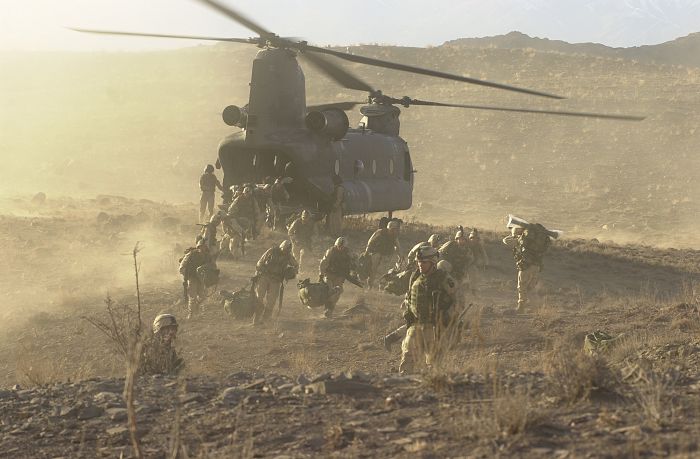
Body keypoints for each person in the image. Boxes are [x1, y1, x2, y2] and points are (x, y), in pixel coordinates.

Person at [399, 246, 457, 374]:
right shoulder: (415, 277)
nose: (420, 265)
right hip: (415, 326)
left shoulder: (443, 278)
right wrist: (407, 312)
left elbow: (457, 300)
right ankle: (402, 384)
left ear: (433, 263)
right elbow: (409, 298)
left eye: (423, 262)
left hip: (434, 328)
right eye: (419, 262)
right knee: (407, 360)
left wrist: (448, 318)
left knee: (434, 365)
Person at [503, 222, 553, 312]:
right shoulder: (535, 243)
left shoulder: (519, 241)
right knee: (531, 288)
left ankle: (521, 307)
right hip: (537, 266)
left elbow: (505, 240)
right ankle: (535, 308)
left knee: (522, 287)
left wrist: (515, 234)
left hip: (525, 266)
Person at [253, 240, 298, 324]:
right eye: (285, 249)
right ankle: (256, 318)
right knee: (259, 297)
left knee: (271, 300)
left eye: (287, 250)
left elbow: (296, 265)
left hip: (276, 280)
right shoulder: (271, 251)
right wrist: (260, 270)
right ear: (281, 247)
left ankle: (265, 319)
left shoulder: (288, 256)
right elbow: (260, 262)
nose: (286, 251)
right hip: (264, 276)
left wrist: (292, 271)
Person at [319, 237, 360, 318]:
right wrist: (321, 275)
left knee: (338, 291)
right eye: (339, 246)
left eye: (342, 246)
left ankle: (330, 309)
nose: (340, 248)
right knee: (329, 290)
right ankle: (327, 309)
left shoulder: (349, 252)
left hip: (340, 276)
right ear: (336, 245)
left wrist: (354, 271)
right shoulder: (330, 251)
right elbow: (323, 263)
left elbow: (355, 260)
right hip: (329, 275)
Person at [221, 186, 260, 258]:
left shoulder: (252, 200)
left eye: (249, 193)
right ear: (244, 193)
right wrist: (231, 214)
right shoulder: (239, 199)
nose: (247, 195)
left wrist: (257, 217)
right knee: (237, 233)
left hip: (249, 219)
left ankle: (249, 242)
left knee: (252, 231)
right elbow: (232, 207)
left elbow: (256, 209)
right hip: (239, 218)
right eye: (246, 193)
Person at [438, 228, 473, 308]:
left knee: (458, 292)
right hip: (448, 269)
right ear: (456, 239)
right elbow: (439, 253)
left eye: (463, 239)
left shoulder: (467, 251)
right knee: (441, 263)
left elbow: (470, 261)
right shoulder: (450, 245)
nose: (462, 241)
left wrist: (463, 272)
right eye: (460, 239)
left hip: (458, 274)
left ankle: (459, 309)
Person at [178, 240, 213, 319]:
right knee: (192, 296)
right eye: (201, 246)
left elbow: (213, 265)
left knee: (203, 296)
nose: (202, 248)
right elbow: (183, 264)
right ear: (198, 246)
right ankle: (191, 314)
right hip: (192, 277)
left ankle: (197, 308)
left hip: (202, 279)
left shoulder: (207, 256)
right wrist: (185, 274)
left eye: (204, 247)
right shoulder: (191, 254)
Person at [364, 219, 402, 289]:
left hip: (387, 254)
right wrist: (367, 251)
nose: (395, 231)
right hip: (376, 252)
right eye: (394, 229)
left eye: (396, 229)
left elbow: (397, 246)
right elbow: (370, 242)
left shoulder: (394, 236)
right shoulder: (380, 232)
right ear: (389, 228)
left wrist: (399, 256)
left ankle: (380, 287)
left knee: (383, 271)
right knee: (373, 269)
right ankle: (370, 286)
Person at [466, 229, 489, 295]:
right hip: (463, 262)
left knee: (473, 274)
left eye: (475, 238)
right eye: (472, 238)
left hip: (472, 264)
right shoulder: (466, 244)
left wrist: (486, 263)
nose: (473, 239)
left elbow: (484, 255)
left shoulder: (479, 245)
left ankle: (473, 290)